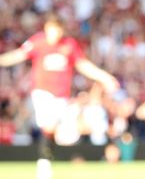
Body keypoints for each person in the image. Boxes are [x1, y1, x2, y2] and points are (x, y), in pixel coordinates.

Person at [0, 15, 119, 179]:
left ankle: (45, 161)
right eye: (51, 30)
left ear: (61, 30)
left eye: (57, 31)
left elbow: (83, 65)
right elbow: (18, 55)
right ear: (46, 29)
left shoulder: (69, 45)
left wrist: (104, 77)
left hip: (62, 96)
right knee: (48, 125)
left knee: (54, 131)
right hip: (42, 93)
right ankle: (44, 164)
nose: (54, 35)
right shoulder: (38, 42)